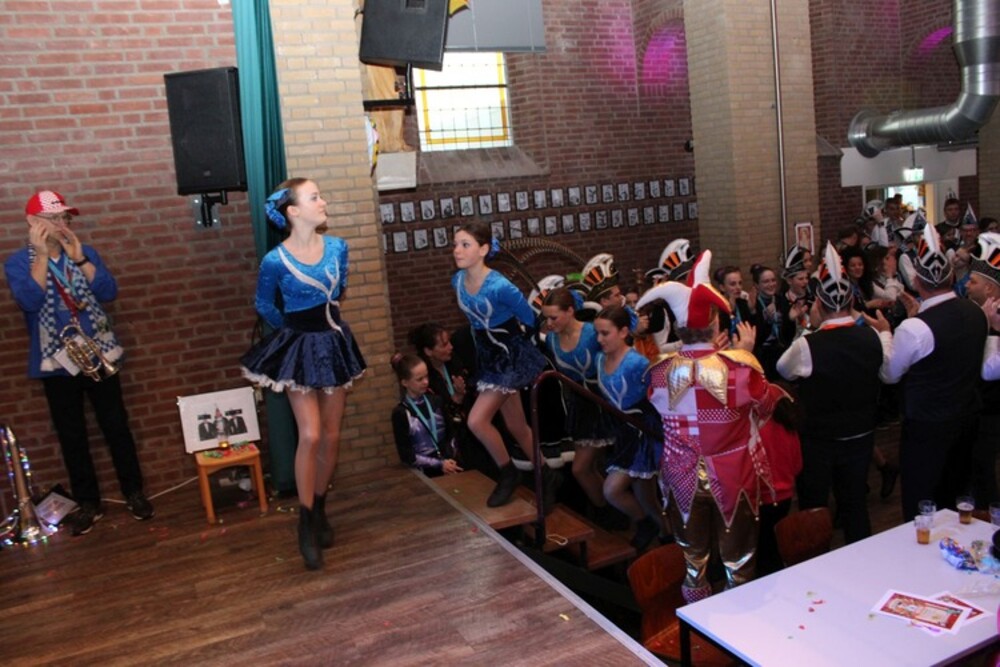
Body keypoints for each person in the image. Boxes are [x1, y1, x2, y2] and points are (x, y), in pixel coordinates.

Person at [4, 190, 154, 536]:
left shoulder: (84, 253)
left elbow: (108, 292)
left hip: (98, 352)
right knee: (72, 434)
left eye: (64, 217)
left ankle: (134, 492)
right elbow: (28, 300)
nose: (61, 224)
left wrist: (81, 259)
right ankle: (89, 502)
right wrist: (43, 256)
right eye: (53, 218)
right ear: (32, 222)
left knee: (116, 425)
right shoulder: (18, 262)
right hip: (56, 362)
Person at [640, 250, 786, 601]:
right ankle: (737, 627)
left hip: (680, 476)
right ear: (716, 323)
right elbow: (766, 405)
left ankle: (696, 624)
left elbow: (655, 405)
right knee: (739, 563)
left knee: (693, 564)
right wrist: (746, 352)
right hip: (734, 477)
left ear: (679, 328)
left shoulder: (659, 372)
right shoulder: (740, 369)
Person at [240, 178, 366, 570]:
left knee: (331, 435)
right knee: (309, 434)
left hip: (333, 344)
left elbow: (340, 292)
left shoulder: (338, 248)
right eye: (315, 197)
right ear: (293, 211)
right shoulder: (275, 261)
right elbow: (264, 304)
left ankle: (320, 506)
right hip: (298, 346)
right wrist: (292, 333)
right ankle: (305, 521)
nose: (323, 201)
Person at [867, 223, 988, 521]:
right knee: (957, 496)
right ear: (952, 277)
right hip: (967, 420)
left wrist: (885, 333)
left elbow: (889, 374)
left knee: (922, 502)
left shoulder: (914, 328)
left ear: (917, 281)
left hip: (927, 427)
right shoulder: (976, 312)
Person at [778, 243, 886, 543]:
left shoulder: (807, 345)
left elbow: (784, 369)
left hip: (819, 441)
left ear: (820, 305)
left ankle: (817, 561)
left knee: (815, 507)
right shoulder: (871, 335)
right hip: (861, 435)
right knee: (855, 506)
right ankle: (861, 557)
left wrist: (806, 329)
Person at [451, 220, 547, 507]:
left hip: (508, 357)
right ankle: (548, 475)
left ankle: (508, 473)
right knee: (516, 424)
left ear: (483, 249)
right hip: (488, 357)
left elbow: (530, 318)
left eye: (465, 245)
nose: (457, 250)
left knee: (476, 420)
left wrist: (519, 350)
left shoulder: (501, 286)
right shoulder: (457, 281)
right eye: (455, 245)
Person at [593, 305, 664, 550]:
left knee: (614, 490)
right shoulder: (600, 359)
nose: (599, 339)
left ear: (623, 332)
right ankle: (665, 535)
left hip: (643, 433)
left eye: (605, 333)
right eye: (597, 333)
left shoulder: (636, 362)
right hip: (625, 432)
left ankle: (650, 526)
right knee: (647, 498)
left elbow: (657, 396)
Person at [540, 288, 610, 514]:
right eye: (546, 318)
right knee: (586, 468)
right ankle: (606, 511)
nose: (549, 323)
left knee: (582, 468)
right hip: (580, 405)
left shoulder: (591, 332)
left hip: (604, 401)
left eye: (554, 317)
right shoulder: (552, 339)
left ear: (570, 311)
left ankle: (609, 510)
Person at [390, 353, 462, 477]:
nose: (426, 382)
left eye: (426, 376)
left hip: (450, 463)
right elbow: (406, 455)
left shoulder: (437, 401)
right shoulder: (401, 413)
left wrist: (450, 457)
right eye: (419, 379)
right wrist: (438, 464)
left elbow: (451, 433)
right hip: (424, 471)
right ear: (405, 382)